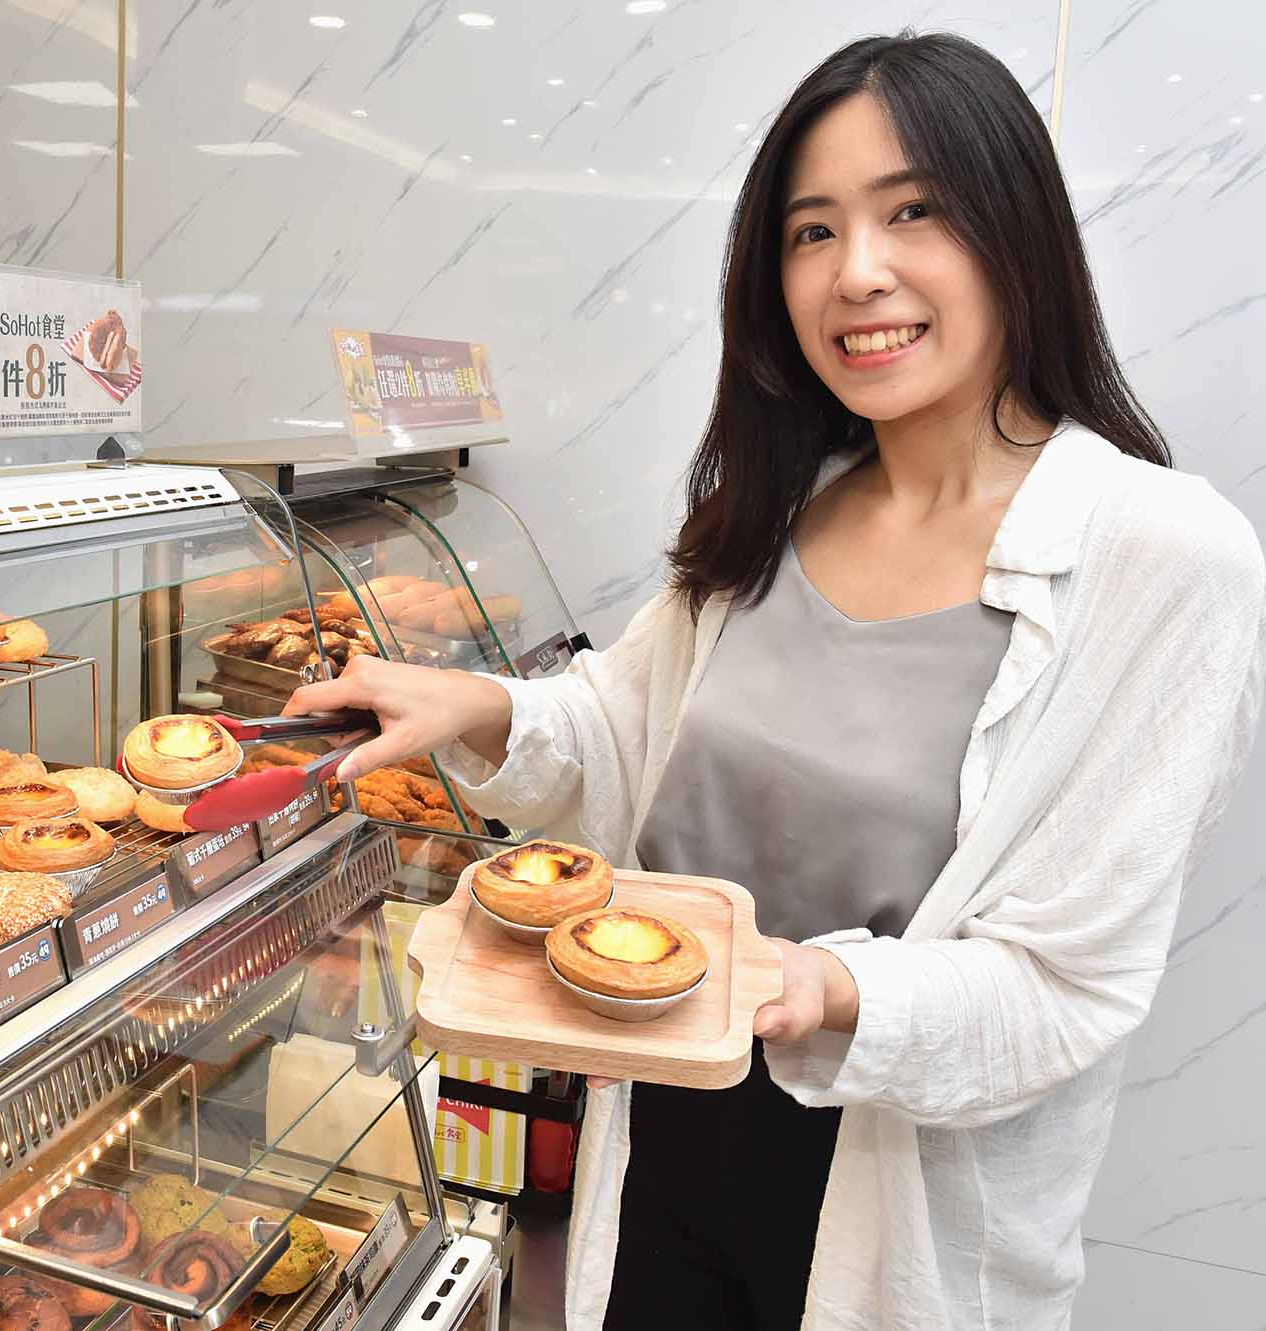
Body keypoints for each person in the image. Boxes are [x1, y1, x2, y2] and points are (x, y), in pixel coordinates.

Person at [287, 31, 1265, 1331]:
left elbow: (1067, 984)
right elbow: (629, 731)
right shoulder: (778, 509)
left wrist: (827, 990)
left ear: (1015, 232)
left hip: (899, 1214)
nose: (857, 272)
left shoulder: (1164, 557)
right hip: (665, 1152)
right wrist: (483, 707)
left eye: (912, 211)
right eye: (812, 231)